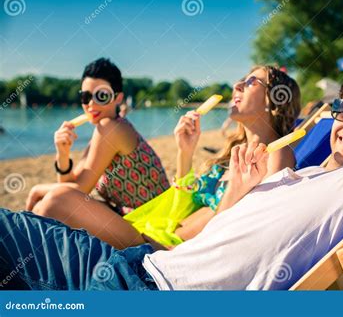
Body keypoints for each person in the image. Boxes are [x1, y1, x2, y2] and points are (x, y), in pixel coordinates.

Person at [0, 48, 343, 290]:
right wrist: (233, 199)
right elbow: (209, 238)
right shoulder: (304, 174)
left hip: (143, 288)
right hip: (138, 265)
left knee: (43, 209)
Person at [28, 65, 301, 249]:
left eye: (249, 82)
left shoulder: (276, 154)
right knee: (46, 209)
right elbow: (182, 204)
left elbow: (240, 226)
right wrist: (185, 150)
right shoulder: (232, 155)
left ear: (273, 99)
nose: (236, 86)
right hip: (155, 228)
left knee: (57, 200)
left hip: (165, 249)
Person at [25, 58, 170, 247]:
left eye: (101, 96)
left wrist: (36, 189)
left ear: (118, 98)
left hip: (154, 224)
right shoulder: (101, 132)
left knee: (50, 202)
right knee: (47, 204)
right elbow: (69, 186)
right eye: (85, 97)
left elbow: (75, 192)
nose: (91, 104)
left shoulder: (111, 128)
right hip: (132, 219)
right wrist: (62, 153)